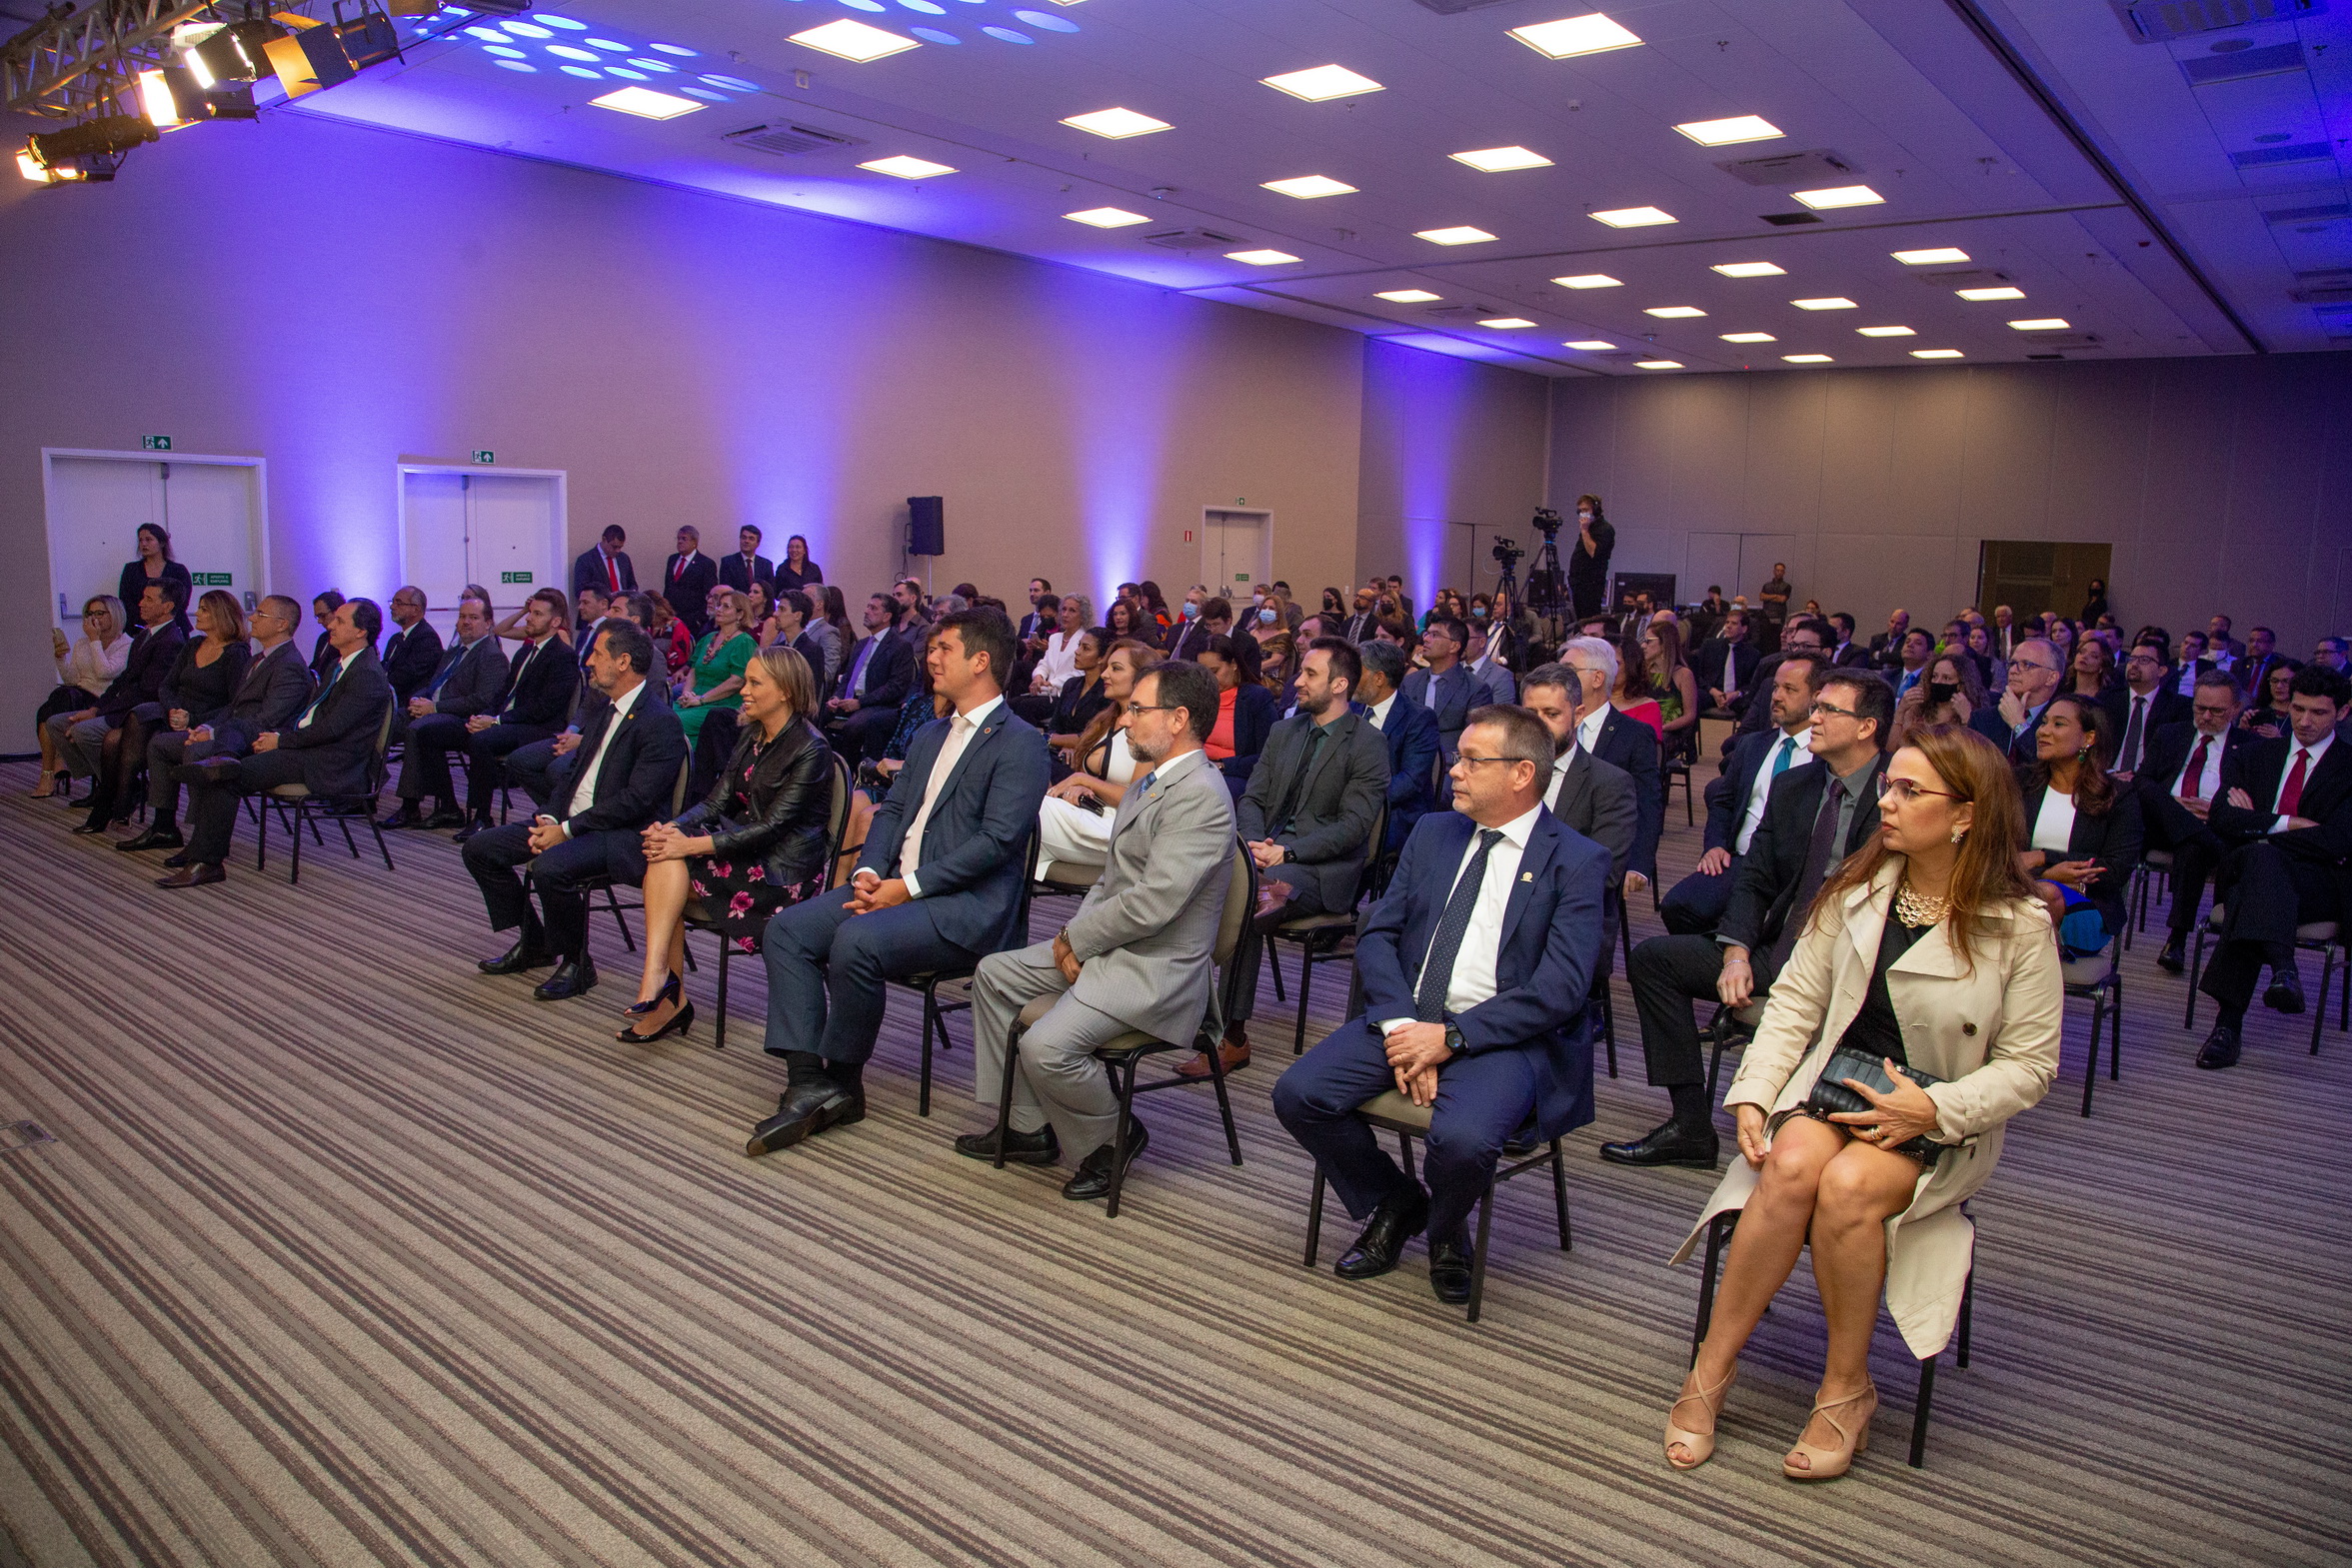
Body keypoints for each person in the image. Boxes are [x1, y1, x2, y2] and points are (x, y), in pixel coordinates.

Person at [1662, 722, 2058, 1478]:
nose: (1887, 801)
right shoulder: (1856, 888)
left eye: (1910, 790)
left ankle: (1845, 1389)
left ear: (1966, 813)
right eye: (1889, 785)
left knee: (1845, 1186)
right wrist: (1754, 1095)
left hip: (1940, 1109)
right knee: (1789, 1166)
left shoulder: (2018, 925)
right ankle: (1710, 1368)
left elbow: (2030, 1066)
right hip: (1839, 1077)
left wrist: (1934, 1111)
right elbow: (1794, 1005)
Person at [1273, 707, 1609, 1304]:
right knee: (1299, 1094)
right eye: (1458, 757)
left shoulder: (1576, 860)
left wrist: (1450, 1038)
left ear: (1522, 773)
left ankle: (1447, 1230)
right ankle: (1397, 1200)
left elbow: (1560, 988)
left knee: (1463, 1141)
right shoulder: (1434, 832)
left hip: (1503, 1037)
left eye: (1472, 761)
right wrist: (1406, 1026)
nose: (1454, 770)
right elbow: (1378, 932)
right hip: (1407, 1015)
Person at [750, 610, 1050, 1155]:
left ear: (981, 661)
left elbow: (996, 843)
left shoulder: (1021, 743)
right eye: (931, 648)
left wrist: (905, 888)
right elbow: (891, 811)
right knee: (787, 931)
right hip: (892, 888)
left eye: (944, 649)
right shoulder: (932, 733)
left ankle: (844, 1080)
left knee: (855, 940)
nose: (930, 658)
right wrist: (869, 872)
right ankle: (808, 1081)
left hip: (966, 908)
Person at [957, 660, 1235, 1198]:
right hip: (1114, 947)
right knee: (993, 976)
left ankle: (1115, 1136)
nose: (1125, 720)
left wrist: (1076, 940)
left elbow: (1154, 904)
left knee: (1045, 1048)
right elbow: (1111, 881)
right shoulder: (1150, 781)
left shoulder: (1201, 795)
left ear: (1178, 719)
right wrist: (1075, 937)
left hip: (1157, 969)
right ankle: (1028, 1128)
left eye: (1137, 709)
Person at [1613, 670, 1895, 1170]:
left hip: (1863, 963)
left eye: (1829, 710)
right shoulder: (1794, 786)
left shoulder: (1899, 793)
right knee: (1655, 960)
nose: (1814, 717)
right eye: (1816, 706)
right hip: (1783, 947)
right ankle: (1690, 1126)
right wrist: (1736, 952)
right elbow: (1755, 880)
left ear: (1866, 726)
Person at [463, 619, 688, 998]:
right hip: (572, 821)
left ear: (623, 661)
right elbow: (570, 776)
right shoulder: (605, 709)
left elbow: (636, 801)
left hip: (623, 834)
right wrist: (551, 817)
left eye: (597, 654)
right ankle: (534, 941)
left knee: (550, 866)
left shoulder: (659, 722)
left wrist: (565, 831)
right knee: (480, 849)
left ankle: (577, 963)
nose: (589, 662)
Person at [1211, 639, 1389, 1074]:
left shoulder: (1367, 743)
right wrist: (1256, 846)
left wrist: (1287, 850)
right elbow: (1253, 798)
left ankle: (1231, 1038)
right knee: (1210, 883)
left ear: (1340, 684)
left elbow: (1353, 827)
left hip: (1321, 869)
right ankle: (1182, 1009)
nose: (1297, 681)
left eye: (1310, 674)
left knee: (1246, 902)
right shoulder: (1284, 731)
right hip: (1265, 856)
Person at [155, 599, 395, 890]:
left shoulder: (366, 674)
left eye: (340, 621)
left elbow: (332, 730)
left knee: (224, 776)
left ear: (361, 632)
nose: (330, 625)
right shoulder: (340, 665)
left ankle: (206, 861)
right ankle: (218, 768)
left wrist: (281, 740)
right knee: (227, 761)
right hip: (309, 750)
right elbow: (313, 720)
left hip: (329, 762)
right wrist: (282, 740)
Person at [2191, 666, 2352, 1068]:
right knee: (2261, 866)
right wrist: (2291, 823)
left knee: (2256, 882)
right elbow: (2223, 818)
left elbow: (2339, 840)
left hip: (2317, 884)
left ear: (2343, 712)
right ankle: (2283, 968)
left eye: (2318, 712)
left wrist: (2260, 824)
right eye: (2298, 709)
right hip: (2251, 866)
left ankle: (2228, 1026)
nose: (2305, 721)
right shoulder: (2253, 755)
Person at [118, 596, 310, 854]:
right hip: (230, 732)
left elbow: (266, 720)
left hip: (255, 741)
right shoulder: (258, 658)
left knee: (198, 752)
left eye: (260, 614)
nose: (252, 617)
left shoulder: (290, 666)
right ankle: (163, 827)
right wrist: (207, 728)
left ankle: (203, 841)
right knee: (161, 744)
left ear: (281, 624)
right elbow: (234, 706)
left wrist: (213, 735)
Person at [1663, 655, 1825, 936]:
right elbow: (1723, 801)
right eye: (1775, 688)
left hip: (1791, 871)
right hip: (1740, 861)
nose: (1777, 696)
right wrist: (1714, 845)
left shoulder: (1824, 756)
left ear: (1816, 697)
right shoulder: (1754, 745)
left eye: (1789, 689)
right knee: (1678, 907)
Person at [75, 589, 251, 834]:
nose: (196, 613)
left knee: (119, 738)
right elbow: (166, 686)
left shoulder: (236, 654)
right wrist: (173, 709)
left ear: (220, 615)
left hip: (204, 718)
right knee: (126, 726)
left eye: (203, 609)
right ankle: (117, 802)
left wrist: (193, 719)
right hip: (173, 712)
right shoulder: (193, 644)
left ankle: (113, 806)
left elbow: (234, 703)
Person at [2136, 670, 2250, 971]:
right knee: (2153, 795)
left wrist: (2215, 810)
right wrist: (2173, 804)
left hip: (2212, 824)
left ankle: (2176, 939)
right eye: (2200, 708)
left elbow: (2250, 799)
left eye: (2217, 711)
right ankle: (2214, 847)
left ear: (2236, 709)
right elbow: (2143, 780)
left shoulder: (2249, 746)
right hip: (2163, 822)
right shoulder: (2170, 733)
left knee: (2193, 847)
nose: (2206, 717)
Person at [2016, 694, 2141, 959]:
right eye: (2044, 722)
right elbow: (1997, 851)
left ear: (2089, 738)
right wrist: (2048, 872)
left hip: (2087, 903)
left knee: (2045, 895)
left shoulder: (2118, 796)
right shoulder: (2019, 782)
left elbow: (2114, 869)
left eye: (2058, 724)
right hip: (2016, 890)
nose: (2043, 731)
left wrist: (2042, 858)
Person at [454, 589, 580, 841]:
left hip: (541, 727)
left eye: (537, 614)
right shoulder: (524, 652)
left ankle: (482, 816)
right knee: (462, 731)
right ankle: (456, 809)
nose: (529, 618)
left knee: (481, 741)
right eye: (530, 612)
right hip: (512, 721)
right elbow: (502, 693)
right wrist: (484, 716)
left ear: (555, 621)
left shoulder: (563, 655)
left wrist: (496, 721)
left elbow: (545, 708)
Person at [1034, 641, 1160, 884]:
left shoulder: (1150, 728)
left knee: (1028, 808)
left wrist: (1084, 780)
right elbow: (1088, 779)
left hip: (1120, 828)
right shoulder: (1105, 720)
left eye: (1116, 668)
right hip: (1089, 813)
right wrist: (1080, 787)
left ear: (1141, 678)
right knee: (1023, 809)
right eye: (1107, 667)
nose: (1104, 674)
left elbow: (1137, 800)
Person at [381, 598, 513, 827]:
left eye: (473, 618)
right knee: (383, 722)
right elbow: (433, 685)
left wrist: (434, 708)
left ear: (488, 623)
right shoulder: (453, 652)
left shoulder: (491, 656)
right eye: (462, 617)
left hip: (463, 718)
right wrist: (417, 699)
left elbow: (482, 700)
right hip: (432, 711)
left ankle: (411, 807)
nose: (466, 622)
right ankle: (360, 791)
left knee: (419, 730)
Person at [52, 583, 186, 806]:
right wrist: (95, 709)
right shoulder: (144, 636)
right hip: (118, 705)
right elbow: (122, 681)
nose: (140, 603)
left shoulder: (170, 641)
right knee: (56, 723)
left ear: (167, 606)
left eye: (149, 599)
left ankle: (118, 788)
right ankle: (113, 784)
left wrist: (100, 713)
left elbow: (148, 691)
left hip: (140, 714)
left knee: (82, 731)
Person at [1554, 637, 1663, 901]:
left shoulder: (1634, 735)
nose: (1558, 677)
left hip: (1599, 845)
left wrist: (1638, 864)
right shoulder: (1548, 726)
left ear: (1597, 678)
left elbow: (1648, 803)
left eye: (1569, 670)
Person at [1519, 665, 1639, 892]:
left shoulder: (1610, 784)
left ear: (1578, 715)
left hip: (1564, 905)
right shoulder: (1502, 770)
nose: (1539, 724)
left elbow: (1603, 873)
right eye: (1531, 714)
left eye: (1551, 714)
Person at [35, 596, 132, 797]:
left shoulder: (127, 644)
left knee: (58, 702)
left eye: (100, 613)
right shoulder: (82, 643)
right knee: (54, 704)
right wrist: (60, 657)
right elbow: (72, 679)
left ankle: (52, 769)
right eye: (89, 614)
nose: (94, 618)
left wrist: (95, 641)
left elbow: (105, 672)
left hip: (105, 700)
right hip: (78, 695)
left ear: (115, 614)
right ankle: (54, 766)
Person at [1354, 639, 1439, 857]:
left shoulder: (1418, 718)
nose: (1350, 677)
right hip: (1348, 807)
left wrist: (1359, 798)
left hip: (1394, 812)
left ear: (1379, 678)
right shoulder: (1350, 708)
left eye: (1358, 671)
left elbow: (1411, 780)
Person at [825, 592, 919, 767]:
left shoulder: (900, 646)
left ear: (887, 616)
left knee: (854, 727)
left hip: (877, 704)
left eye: (873, 608)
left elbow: (895, 686)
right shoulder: (862, 644)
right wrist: (836, 697)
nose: (866, 611)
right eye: (868, 606)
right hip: (849, 701)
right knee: (815, 715)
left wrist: (860, 702)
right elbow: (847, 678)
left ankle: (850, 773)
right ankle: (826, 769)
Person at [677, 585, 756, 749]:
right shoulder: (708, 638)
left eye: (726, 606)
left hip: (720, 706)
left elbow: (736, 682)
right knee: (659, 715)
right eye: (719, 605)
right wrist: (686, 694)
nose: (719, 609)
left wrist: (701, 699)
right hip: (694, 699)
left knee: (674, 721)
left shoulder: (744, 642)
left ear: (740, 614)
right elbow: (693, 671)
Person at [1198, 634, 1278, 792]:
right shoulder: (1197, 697)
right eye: (1203, 672)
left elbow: (1268, 755)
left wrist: (1222, 766)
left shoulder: (1257, 698)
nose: (1208, 679)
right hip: (1198, 769)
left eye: (1214, 671)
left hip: (1235, 775)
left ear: (1234, 664)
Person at [2101, 638, 2190, 775]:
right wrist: (2110, 773)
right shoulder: (2107, 700)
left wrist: (2141, 778)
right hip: (2107, 776)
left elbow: (2174, 758)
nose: (2134, 664)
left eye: (2143, 660)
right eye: (2132, 659)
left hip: (2148, 780)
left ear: (2161, 670)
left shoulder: (2177, 707)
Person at [1889, 651, 1999, 752]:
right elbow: (1892, 749)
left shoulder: (1976, 714)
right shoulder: (1918, 709)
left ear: (1961, 685)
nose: (1938, 682)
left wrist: (1967, 718)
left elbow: (1976, 754)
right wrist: (1900, 711)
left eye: (1946, 678)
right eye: (1934, 676)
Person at [1401, 617, 1476, 762]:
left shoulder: (1474, 688)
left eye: (1435, 635)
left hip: (1450, 764)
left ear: (1454, 646)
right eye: (1426, 634)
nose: (1426, 639)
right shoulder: (1410, 682)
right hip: (1408, 760)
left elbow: (1473, 740)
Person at [1043, 628, 1112, 759]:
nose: (1077, 651)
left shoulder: (1107, 692)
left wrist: (1052, 739)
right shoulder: (1071, 684)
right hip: (1059, 752)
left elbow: (1093, 736)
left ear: (1101, 658)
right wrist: (1064, 744)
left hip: (1088, 756)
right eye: (1079, 645)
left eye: (1085, 648)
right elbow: (1054, 726)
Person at [1990, 638, 2063, 761]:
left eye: (2027, 665)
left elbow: (2047, 765)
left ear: (2051, 678)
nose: (2013, 671)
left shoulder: (2062, 722)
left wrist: (2018, 724)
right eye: (2012, 664)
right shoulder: (1983, 718)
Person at [116, 524, 194, 637]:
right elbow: (125, 600)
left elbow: (181, 602)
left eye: (148, 539)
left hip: (173, 628)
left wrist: (160, 624)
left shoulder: (178, 570)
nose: (143, 544)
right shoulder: (131, 569)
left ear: (162, 543)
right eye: (140, 540)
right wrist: (146, 622)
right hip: (137, 628)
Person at [1694, 614, 1760, 716]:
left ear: (1744, 629)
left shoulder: (1753, 654)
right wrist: (1712, 690)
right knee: (1694, 697)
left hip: (1736, 697)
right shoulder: (1709, 646)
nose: (1728, 626)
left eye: (1734, 623)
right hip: (1710, 692)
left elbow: (1753, 683)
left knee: (1752, 704)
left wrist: (1736, 694)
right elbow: (1696, 674)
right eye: (1727, 622)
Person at [662, 526, 718, 641]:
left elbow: (709, 594)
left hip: (693, 621)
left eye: (684, 538)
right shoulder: (672, 559)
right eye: (678, 538)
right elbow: (668, 587)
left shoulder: (706, 564)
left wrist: (699, 619)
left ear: (694, 542)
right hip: (671, 618)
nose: (680, 542)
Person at [1566, 495, 1614, 621]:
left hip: (1590, 584)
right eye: (1580, 511)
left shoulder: (1605, 529)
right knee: (1580, 619)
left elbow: (1593, 552)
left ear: (1596, 510)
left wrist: (1584, 530)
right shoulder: (1589, 528)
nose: (1583, 514)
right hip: (1578, 582)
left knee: (1590, 620)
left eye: (1586, 510)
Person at [572, 525, 637, 603]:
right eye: (614, 547)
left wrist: (631, 593)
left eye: (620, 547)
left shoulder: (624, 558)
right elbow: (580, 591)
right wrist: (607, 596)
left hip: (622, 606)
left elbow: (632, 583)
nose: (618, 550)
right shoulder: (585, 560)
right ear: (604, 539)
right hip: (600, 607)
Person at [2239, 660, 2297, 741]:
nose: (2279, 686)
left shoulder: (2299, 718)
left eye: (2286, 681)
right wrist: (2241, 729)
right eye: (2274, 680)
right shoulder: (2253, 712)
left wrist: (2279, 739)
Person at [1166, 594, 1226, 664]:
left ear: (1202, 606)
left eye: (1193, 602)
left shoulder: (1207, 628)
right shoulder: (1173, 629)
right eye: (1187, 601)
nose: (1188, 604)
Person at [719, 525, 774, 598]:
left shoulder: (766, 564)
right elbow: (726, 591)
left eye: (751, 539)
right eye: (743, 537)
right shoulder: (728, 562)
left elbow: (769, 592)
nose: (746, 541)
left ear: (758, 543)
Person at [2064, 637, 2117, 701]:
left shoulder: (2110, 697)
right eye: (2081, 652)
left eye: (2093, 656)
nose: (2084, 656)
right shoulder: (2063, 689)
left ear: (2102, 666)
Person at [307, 591, 346, 679]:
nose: (319, 621)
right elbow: (315, 666)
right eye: (318, 617)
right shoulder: (323, 638)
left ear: (337, 611)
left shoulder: (349, 640)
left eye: (323, 615)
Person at [1757, 564, 1792, 652]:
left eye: (1781, 571)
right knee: (1765, 640)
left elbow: (1782, 599)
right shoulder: (1766, 585)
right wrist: (1775, 596)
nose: (1779, 572)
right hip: (1766, 616)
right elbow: (1761, 597)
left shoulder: (1787, 586)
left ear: (1784, 572)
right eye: (1777, 570)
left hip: (1779, 617)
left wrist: (1768, 597)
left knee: (1776, 640)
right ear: (1774, 571)